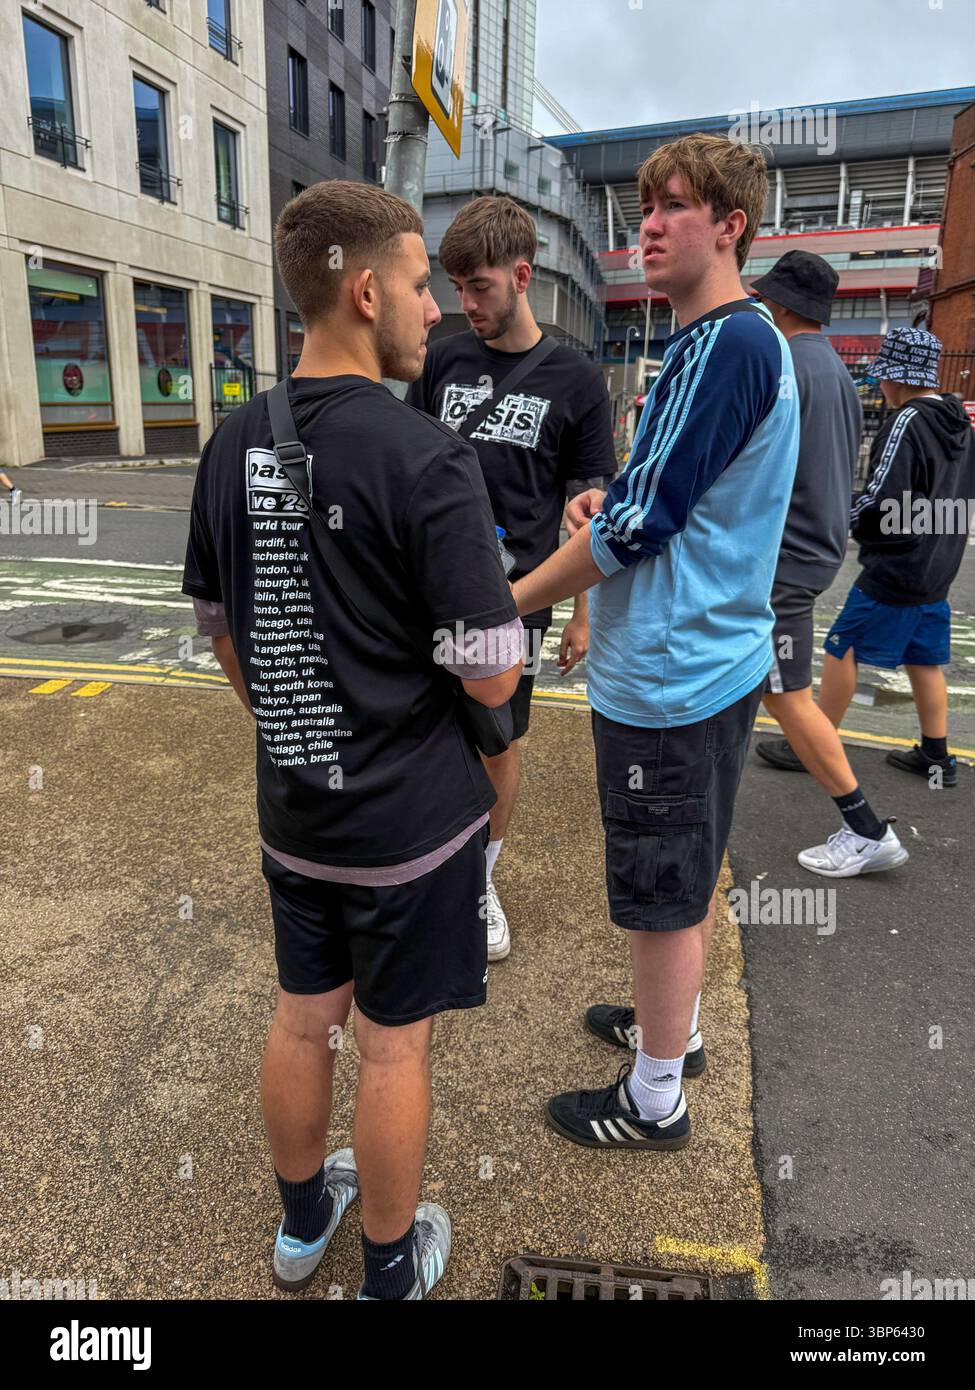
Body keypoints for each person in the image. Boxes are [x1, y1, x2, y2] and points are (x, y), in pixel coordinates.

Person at [181, 181, 523, 1299]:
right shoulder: (428, 457)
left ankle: (300, 1230)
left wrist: (292, 719)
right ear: (366, 290)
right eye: (421, 285)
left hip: (296, 810)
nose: (435, 309)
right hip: (408, 828)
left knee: (301, 1020)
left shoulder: (233, 442)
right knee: (390, 1044)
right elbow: (491, 669)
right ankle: (387, 1269)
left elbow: (220, 628)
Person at [510, 133, 799, 1150]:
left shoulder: (725, 346)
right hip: (708, 658)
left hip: (674, 674)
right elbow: (661, 500)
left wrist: (511, 601)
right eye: (645, 210)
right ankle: (670, 1028)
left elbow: (640, 531)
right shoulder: (728, 342)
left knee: (664, 894)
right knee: (685, 867)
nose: (651, 226)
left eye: (674, 206)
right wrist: (612, 497)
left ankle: (654, 1098)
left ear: (730, 225)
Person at [406, 195, 616, 962]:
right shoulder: (442, 361)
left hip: (512, 603)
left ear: (522, 277)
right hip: (422, 592)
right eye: (457, 287)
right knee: (422, 735)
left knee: (496, 743)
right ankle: (426, 869)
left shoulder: (577, 380)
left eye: (480, 287)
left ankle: (479, 882)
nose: (465, 303)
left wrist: (581, 616)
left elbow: (587, 515)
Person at [748, 250, 907, 877]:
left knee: (787, 696)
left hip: (785, 559)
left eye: (764, 297)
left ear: (781, 303)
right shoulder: (834, 369)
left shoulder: (786, 365)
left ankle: (866, 828)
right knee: (763, 684)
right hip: (814, 550)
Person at [814, 327, 973, 795]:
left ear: (897, 378)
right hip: (939, 563)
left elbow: (883, 498)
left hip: (898, 566)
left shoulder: (907, 422)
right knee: (925, 658)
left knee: (841, 645)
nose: (881, 387)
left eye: (883, 377)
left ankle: (814, 745)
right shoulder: (960, 424)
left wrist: (842, 517)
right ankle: (935, 755)